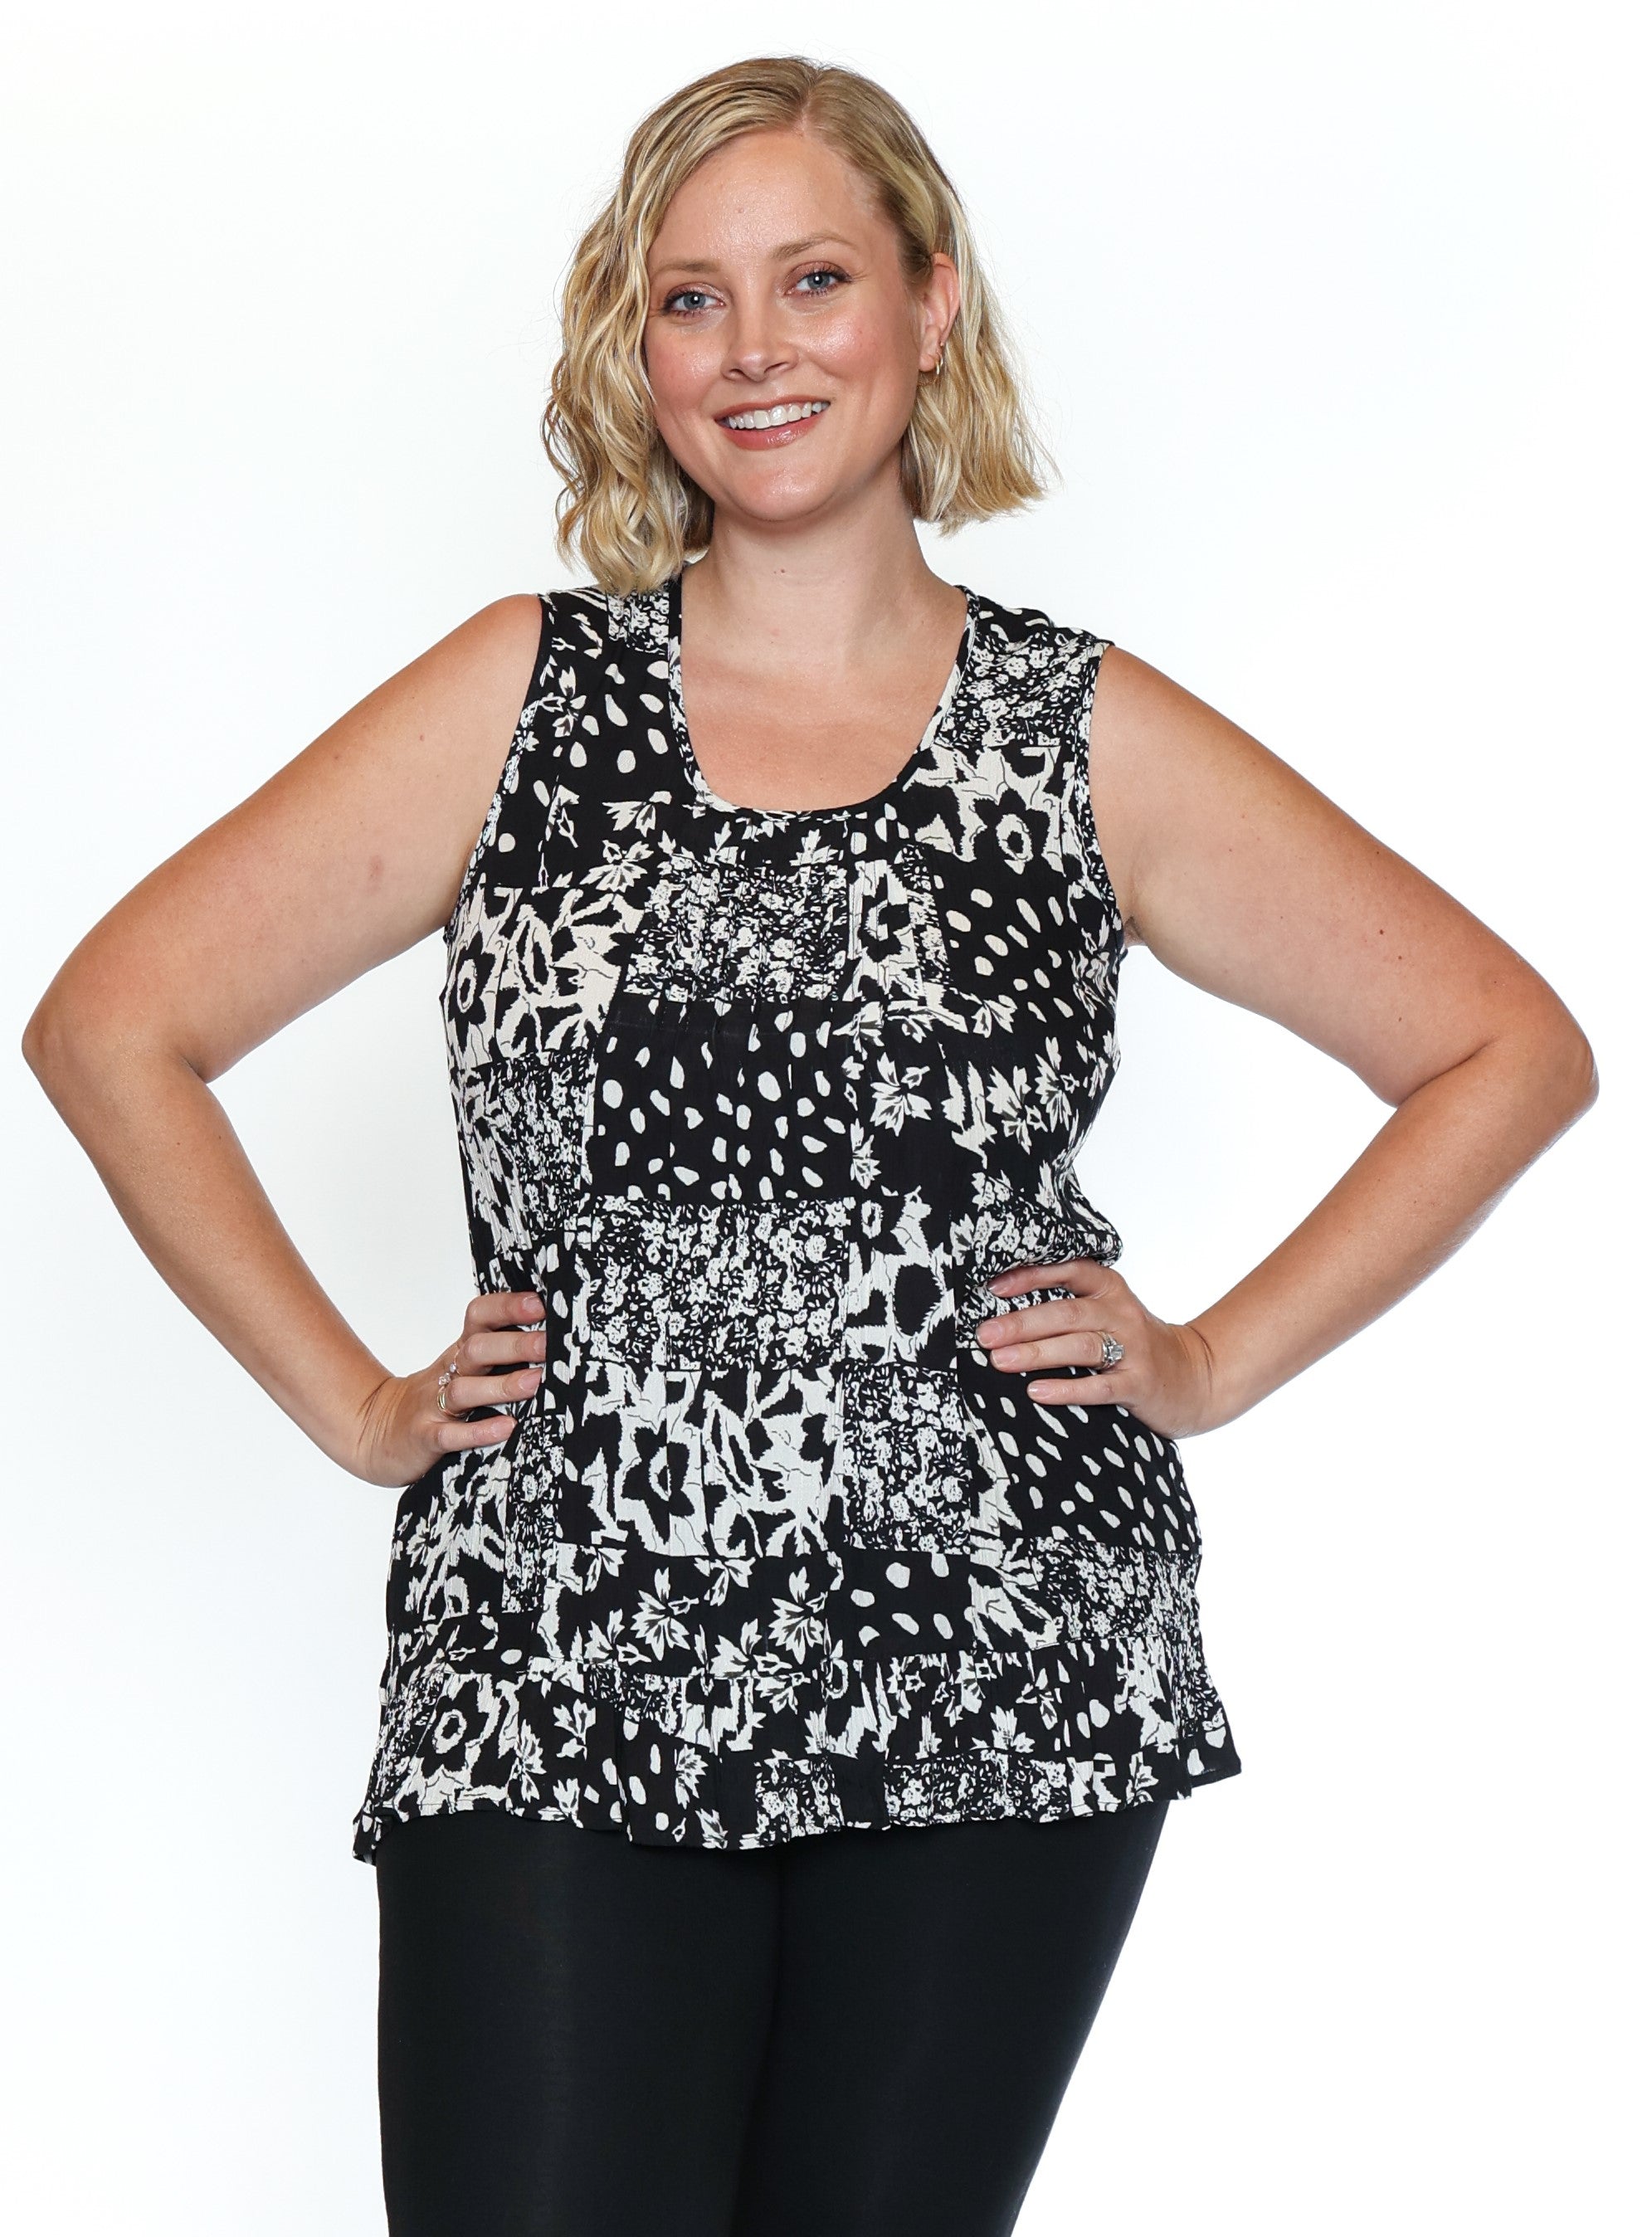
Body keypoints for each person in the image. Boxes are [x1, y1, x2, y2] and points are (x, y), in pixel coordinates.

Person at [22, 51, 1596, 2237]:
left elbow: (1504, 1042)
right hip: (559, 1650)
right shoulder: (522, 698)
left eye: (816, 279)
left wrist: (1213, 1361)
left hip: (995, 1654)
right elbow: (116, 1021)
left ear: (930, 304)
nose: (755, 350)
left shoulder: (1077, 732)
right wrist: (360, 1403)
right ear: (633, 344)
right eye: (691, 300)